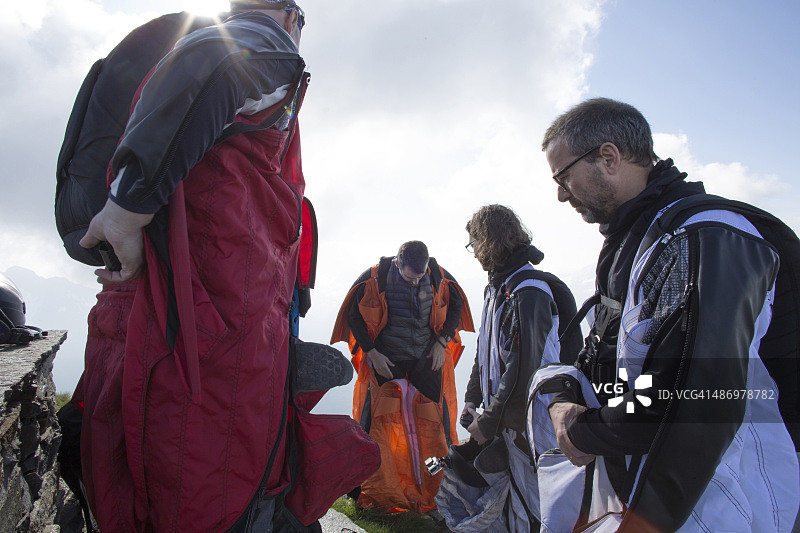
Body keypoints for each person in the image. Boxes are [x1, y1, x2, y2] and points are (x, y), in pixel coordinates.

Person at [69, 2, 364, 531]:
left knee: (138, 486)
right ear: (292, 16)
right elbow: (225, 62)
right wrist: (128, 210)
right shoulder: (262, 41)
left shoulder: (169, 67)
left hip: (158, 325)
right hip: (210, 346)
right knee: (207, 491)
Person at [540, 97, 799, 531]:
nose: (561, 194)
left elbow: (696, 397)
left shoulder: (705, 237)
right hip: (668, 495)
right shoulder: (638, 239)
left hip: (729, 503)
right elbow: (620, 362)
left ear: (608, 157)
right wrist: (566, 389)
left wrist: (584, 431)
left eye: (563, 175)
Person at [456, 204, 580, 530]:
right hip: (511, 420)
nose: (473, 253)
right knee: (515, 504)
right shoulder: (498, 288)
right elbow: (485, 350)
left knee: (536, 507)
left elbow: (522, 367)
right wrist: (472, 397)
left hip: (533, 424)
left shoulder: (528, 291)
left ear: (489, 240)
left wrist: (490, 421)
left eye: (474, 243)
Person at [330, 240, 474, 513]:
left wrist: (442, 342)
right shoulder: (375, 278)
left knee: (437, 423)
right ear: (398, 264)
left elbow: (456, 307)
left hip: (426, 359)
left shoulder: (440, 277)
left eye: (420, 277)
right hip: (387, 359)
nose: (415, 281)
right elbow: (354, 316)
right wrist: (372, 352)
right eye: (410, 277)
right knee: (373, 423)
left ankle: (440, 489)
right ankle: (367, 489)